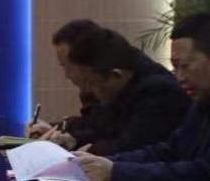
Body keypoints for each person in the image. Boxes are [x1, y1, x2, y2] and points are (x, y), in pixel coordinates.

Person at [77, 13, 210, 181]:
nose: (179, 77)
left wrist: (116, 171)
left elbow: (208, 173)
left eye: (185, 66)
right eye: (175, 67)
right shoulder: (203, 102)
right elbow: (169, 151)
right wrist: (106, 163)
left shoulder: (159, 90)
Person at [42, 28, 189, 155]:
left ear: (115, 76)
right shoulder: (119, 83)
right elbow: (100, 128)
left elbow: (133, 145)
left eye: (91, 83)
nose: (88, 90)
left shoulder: (159, 92)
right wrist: (73, 139)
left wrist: (89, 151)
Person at [27, 19, 103, 138]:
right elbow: (90, 126)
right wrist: (54, 129)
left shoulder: (118, 95)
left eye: (69, 67)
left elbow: (108, 136)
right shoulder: (90, 94)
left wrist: (70, 139)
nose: (66, 75)